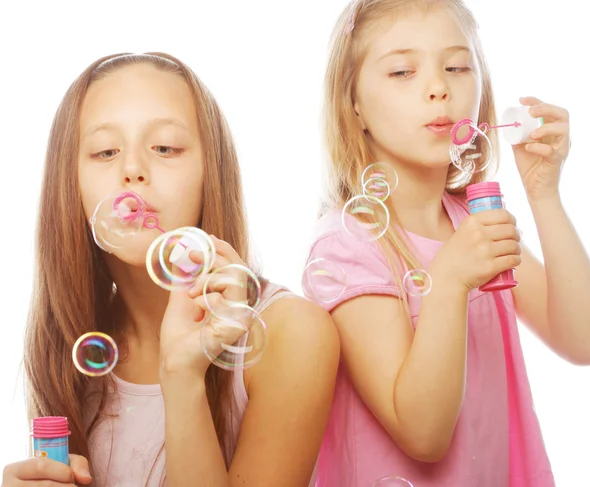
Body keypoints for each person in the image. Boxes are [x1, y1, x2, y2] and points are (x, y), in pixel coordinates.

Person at [2, 52, 339, 487]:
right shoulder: (70, 344)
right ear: (72, 184)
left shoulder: (291, 332)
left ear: (209, 172)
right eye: (105, 151)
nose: (133, 171)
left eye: (165, 147)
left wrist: (182, 374)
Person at [302, 1, 590, 486]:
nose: (439, 87)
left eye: (458, 66)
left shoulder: (471, 222)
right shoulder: (348, 245)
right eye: (402, 71)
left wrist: (543, 194)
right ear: (352, 104)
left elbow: (588, 341)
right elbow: (423, 434)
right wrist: (448, 284)